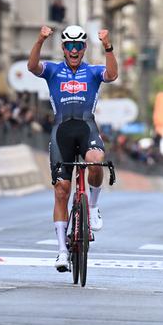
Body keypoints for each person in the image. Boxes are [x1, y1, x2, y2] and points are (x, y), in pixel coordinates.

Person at [27, 24, 118, 272]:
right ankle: (61, 252)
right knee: (61, 191)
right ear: (64, 48)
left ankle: (93, 207)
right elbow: (32, 67)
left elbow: (112, 75)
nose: (74, 51)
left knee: (97, 160)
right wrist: (39, 40)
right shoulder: (54, 70)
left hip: (86, 128)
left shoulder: (93, 71)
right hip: (62, 132)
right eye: (70, 46)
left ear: (85, 48)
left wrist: (108, 46)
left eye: (79, 46)